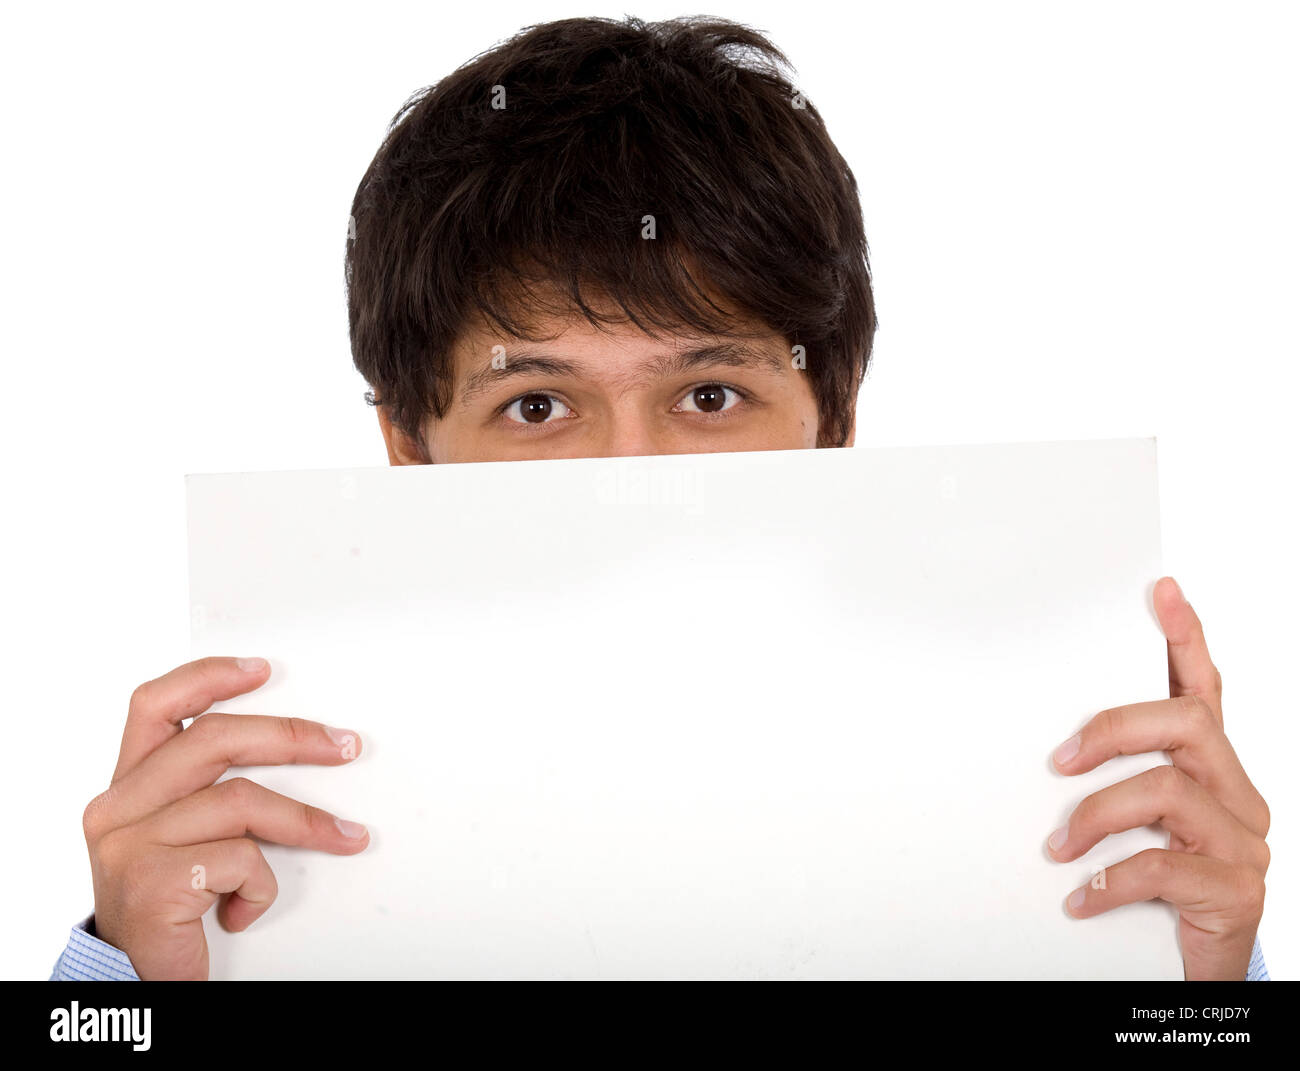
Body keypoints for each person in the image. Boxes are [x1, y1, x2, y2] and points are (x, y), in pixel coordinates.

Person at [50, 16, 1269, 982]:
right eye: (537, 405)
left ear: (833, 423)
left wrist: (1199, 998)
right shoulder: (268, 881)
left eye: (710, 395)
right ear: (407, 452)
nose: (633, 474)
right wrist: (136, 995)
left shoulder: (1041, 842)